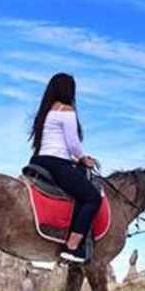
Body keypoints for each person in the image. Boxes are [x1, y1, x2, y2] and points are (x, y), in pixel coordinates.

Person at [28, 73, 100, 265]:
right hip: (56, 162)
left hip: (40, 160)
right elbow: (73, 144)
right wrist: (84, 159)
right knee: (92, 197)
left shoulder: (46, 111)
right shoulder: (66, 110)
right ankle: (72, 247)